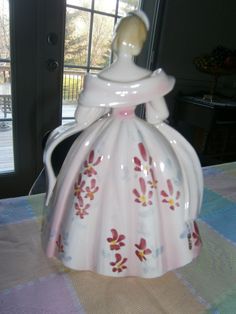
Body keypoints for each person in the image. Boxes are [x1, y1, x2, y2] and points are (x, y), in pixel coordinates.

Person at [42, 11, 203, 278]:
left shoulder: (101, 78)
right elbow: (157, 115)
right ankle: (150, 250)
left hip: (104, 137)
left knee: (90, 190)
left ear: (116, 41)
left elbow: (83, 118)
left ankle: (86, 248)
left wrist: (103, 104)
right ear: (139, 43)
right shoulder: (149, 77)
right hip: (141, 139)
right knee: (150, 188)